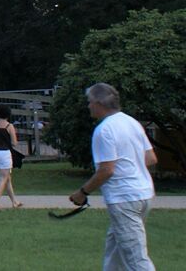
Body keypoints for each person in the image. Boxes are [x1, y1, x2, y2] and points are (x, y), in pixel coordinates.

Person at [68, 83, 157, 269]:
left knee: (136, 259)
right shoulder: (132, 122)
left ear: (99, 103)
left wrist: (82, 192)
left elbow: (107, 170)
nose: (88, 106)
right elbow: (150, 158)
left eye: (90, 102)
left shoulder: (104, 130)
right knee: (114, 252)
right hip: (143, 194)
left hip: (124, 199)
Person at [0, 105, 24, 210]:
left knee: (7, 178)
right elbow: (14, 143)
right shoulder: (9, 126)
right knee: (3, 178)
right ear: (8, 114)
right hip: (4, 153)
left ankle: (14, 202)